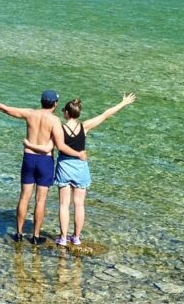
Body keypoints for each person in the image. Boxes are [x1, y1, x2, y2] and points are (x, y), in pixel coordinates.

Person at [0, 88, 87, 245]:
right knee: (40, 200)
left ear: (41, 101)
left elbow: (4, 108)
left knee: (24, 197)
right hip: (45, 161)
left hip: (28, 159)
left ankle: (18, 233)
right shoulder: (55, 121)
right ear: (55, 104)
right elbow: (60, 146)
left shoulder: (29, 114)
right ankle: (35, 236)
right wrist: (78, 154)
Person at [54, 93, 136, 247]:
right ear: (77, 113)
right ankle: (76, 237)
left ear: (66, 113)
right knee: (79, 204)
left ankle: (63, 238)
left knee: (64, 204)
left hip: (64, 166)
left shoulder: (60, 128)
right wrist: (123, 103)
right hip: (80, 167)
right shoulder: (84, 126)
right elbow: (105, 115)